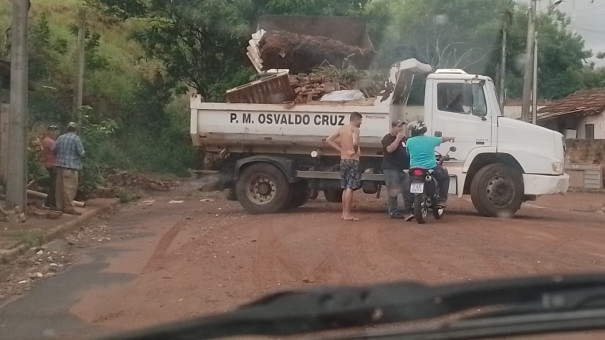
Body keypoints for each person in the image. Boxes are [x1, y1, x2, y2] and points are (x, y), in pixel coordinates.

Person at [406, 121, 455, 206]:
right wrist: (450, 138)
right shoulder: (430, 139)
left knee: (408, 183)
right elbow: (442, 139)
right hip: (430, 167)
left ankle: (409, 204)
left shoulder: (409, 141)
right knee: (445, 177)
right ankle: (441, 200)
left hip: (414, 168)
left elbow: (408, 153)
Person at [326, 112, 363, 221]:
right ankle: (347, 214)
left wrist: (342, 150)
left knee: (345, 186)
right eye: (360, 120)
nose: (361, 123)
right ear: (355, 120)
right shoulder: (355, 129)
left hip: (343, 159)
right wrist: (354, 151)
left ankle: (344, 213)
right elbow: (355, 142)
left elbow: (328, 140)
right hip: (353, 159)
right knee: (350, 188)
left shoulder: (342, 129)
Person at [381, 120, 414, 221]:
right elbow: (390, 149)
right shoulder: (388, 138)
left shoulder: (404, 139)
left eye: (402, 127)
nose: (401, 129)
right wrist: (398, 139)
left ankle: (409, 211)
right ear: (393, 127)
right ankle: (394, 212)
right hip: (391, 168)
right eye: (399, 127)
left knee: (407, 189)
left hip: (403, 169)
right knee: (393, 190)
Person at [53, 122, 85, 215]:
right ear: (75, 130)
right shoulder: (76, 138)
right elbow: (81, 152)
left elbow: (54, 150)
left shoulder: (60, 138)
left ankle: (59, 206)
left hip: (59, 166)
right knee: (69, 188)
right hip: (70, 167)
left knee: (59, 188)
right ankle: (68, 207)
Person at [40, 125, 59, 209]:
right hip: (53, 165)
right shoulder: (50, 141)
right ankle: (49, 203)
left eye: (55, 131)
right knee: (54, 186)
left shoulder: (44, 140)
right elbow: (57, 151)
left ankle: (51, 202)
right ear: (48, 131)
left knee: (53, 185)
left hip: (48, 164)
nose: (54, 133)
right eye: (52, 131)